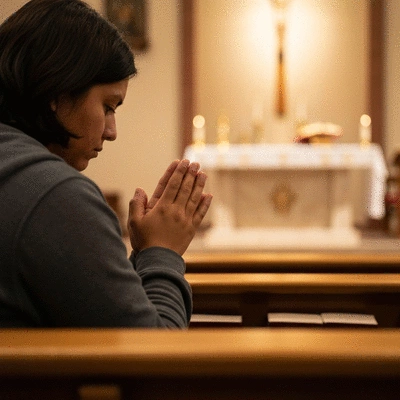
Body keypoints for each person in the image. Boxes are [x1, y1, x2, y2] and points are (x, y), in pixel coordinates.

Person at [0, 0, 212, 327]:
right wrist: (163, 252)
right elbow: (155, 358)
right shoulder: (56, 197)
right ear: (57, 93)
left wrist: (143, 254)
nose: (111, 132)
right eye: (109, 106)